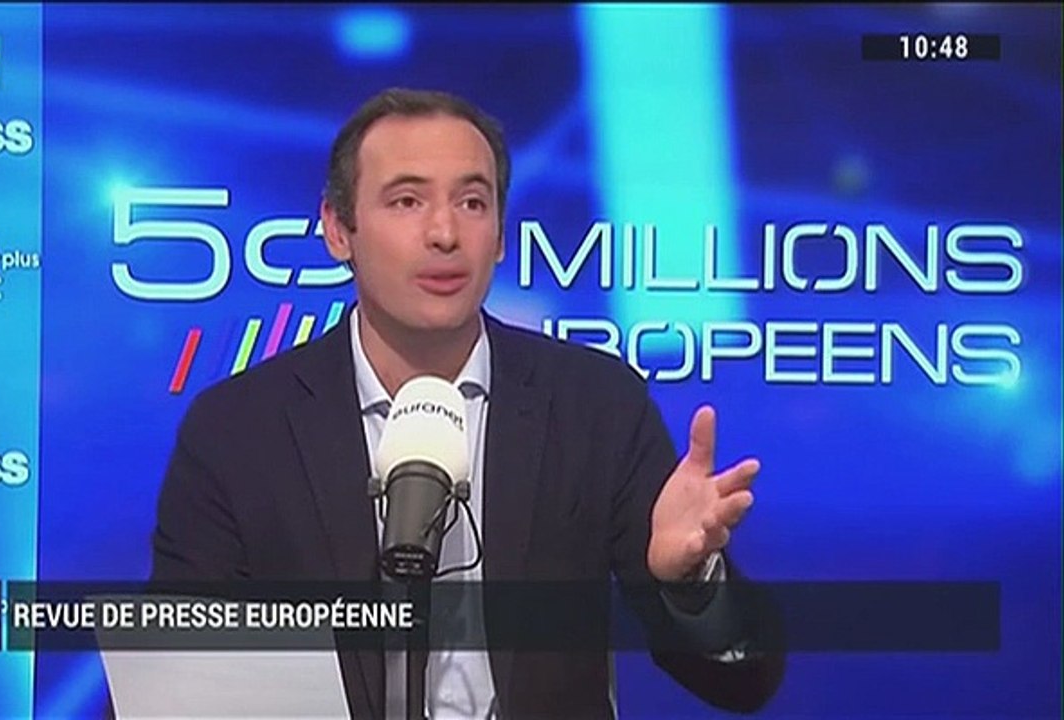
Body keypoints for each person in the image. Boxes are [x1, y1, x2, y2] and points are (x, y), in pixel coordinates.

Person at [151, 87, 785, 718]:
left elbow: (742, 683)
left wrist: (692, 585)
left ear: (501, 235)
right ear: (339, 230)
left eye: (472, 202)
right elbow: (180, 685)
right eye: (407, 201)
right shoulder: (238, 432)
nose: (445, 233)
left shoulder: (595, 406)